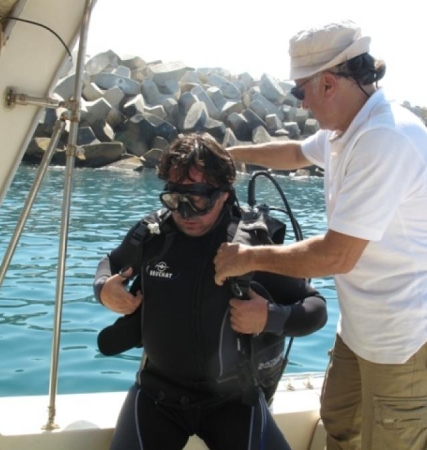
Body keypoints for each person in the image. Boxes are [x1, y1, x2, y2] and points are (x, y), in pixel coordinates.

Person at [213, 20, 427, 450]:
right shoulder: (345, 130)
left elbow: (336, 256)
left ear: (328, 84)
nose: (301, 104)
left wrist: (246, 258)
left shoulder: (384, 138)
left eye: (300, 92)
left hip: (405, 335)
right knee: (339, 423)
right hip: (361, 327)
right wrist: (228, 155)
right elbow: (295, 153)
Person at [93, 132, 328, 450]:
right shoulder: (152, 236)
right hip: (157, 394)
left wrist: (268, 317)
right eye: (174, 199)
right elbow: (110, 263)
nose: (184, 213)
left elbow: (316, 308)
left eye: (198, 200)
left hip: (233, 400)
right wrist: (104, 290)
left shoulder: (248, 246)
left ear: (223, 194)